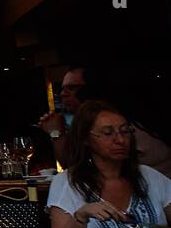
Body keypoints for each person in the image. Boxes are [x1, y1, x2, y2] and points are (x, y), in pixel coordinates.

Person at [39, 66, 171, 177]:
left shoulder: (118, 123)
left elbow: (79, 173)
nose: (63, 94)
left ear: (92, 90)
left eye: (72, 88)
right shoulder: (95, 121)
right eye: (62, 89)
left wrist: (56, 132)